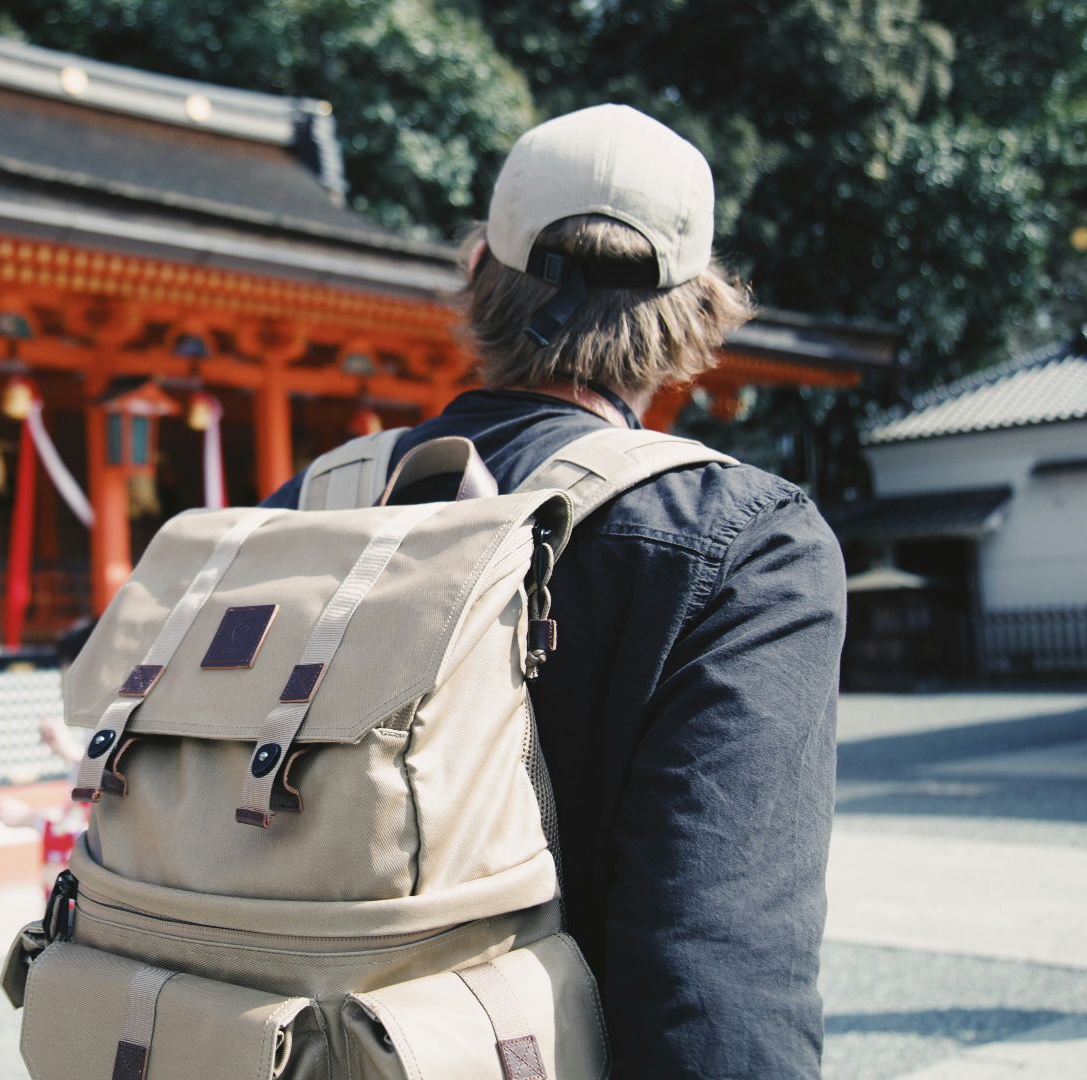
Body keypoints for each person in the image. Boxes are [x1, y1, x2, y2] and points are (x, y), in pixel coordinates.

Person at [262, 104, 845, 1078]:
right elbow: (716, 968)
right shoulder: (748, 542)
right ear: (700, 307)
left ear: (480, 272)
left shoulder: (310, 504)